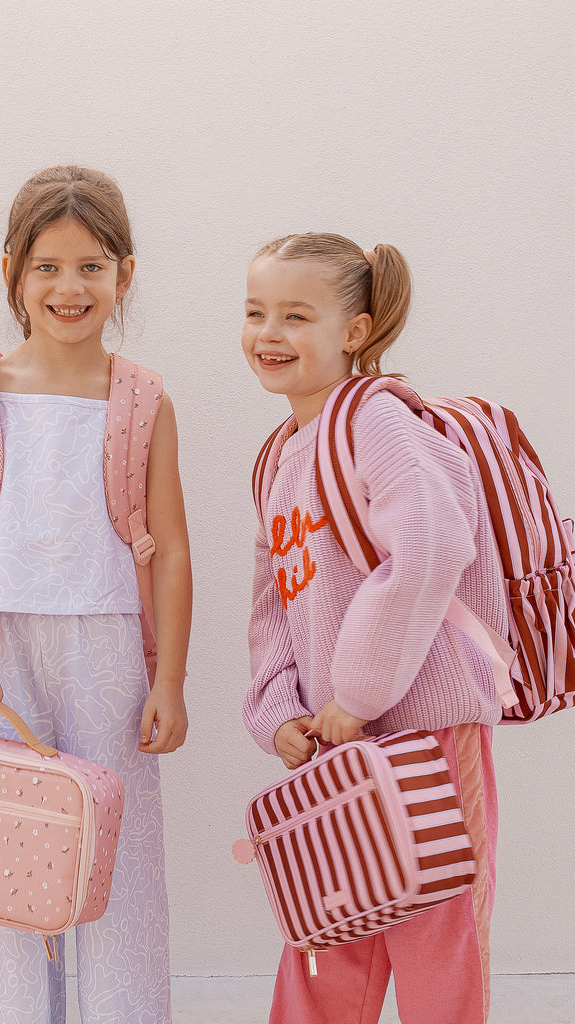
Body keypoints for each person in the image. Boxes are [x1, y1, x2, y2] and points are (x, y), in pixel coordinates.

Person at [0, 165, 192, 1024]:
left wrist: (170, 682)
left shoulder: (144, 398)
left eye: (91, 266)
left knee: (116, 855)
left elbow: (173, 551)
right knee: (3, 849)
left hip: (108, 652)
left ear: (125, 273)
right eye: (47, 266)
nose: (70, 287)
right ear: (12, 272)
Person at [241, 232, 504, 1024]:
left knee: (437, 936)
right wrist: (278, 711)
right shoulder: (281, 454)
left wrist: (356, 692)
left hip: (426, 732)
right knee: (326, 935)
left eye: (296, 316)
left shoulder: (379, 421)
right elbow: (273, 603)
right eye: (255, 312)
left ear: (354, 331)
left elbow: (432, 546)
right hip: (337, 745)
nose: (269, 334)